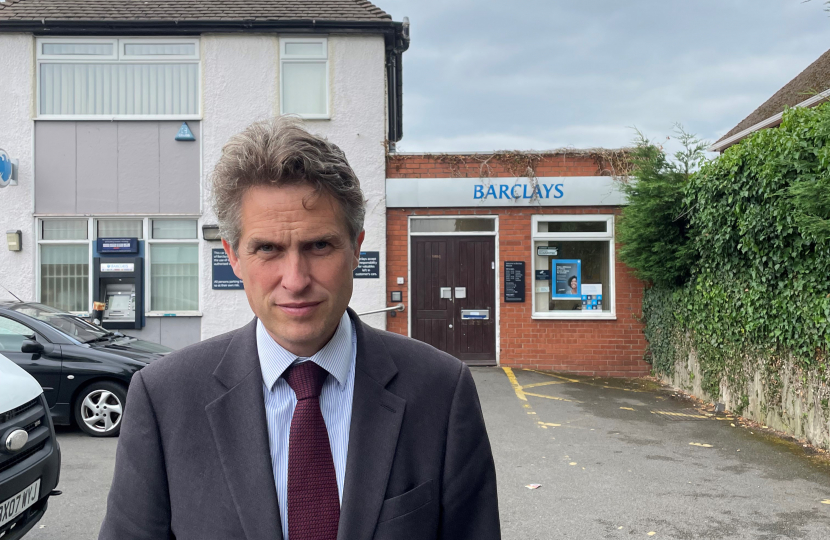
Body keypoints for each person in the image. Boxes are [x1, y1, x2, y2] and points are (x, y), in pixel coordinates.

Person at [99, 117, 500, 540]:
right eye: (268, 249)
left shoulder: (440, 390)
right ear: (234, 257)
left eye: (319, 245)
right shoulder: (165, 399)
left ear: (356, 249)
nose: (295, 279)